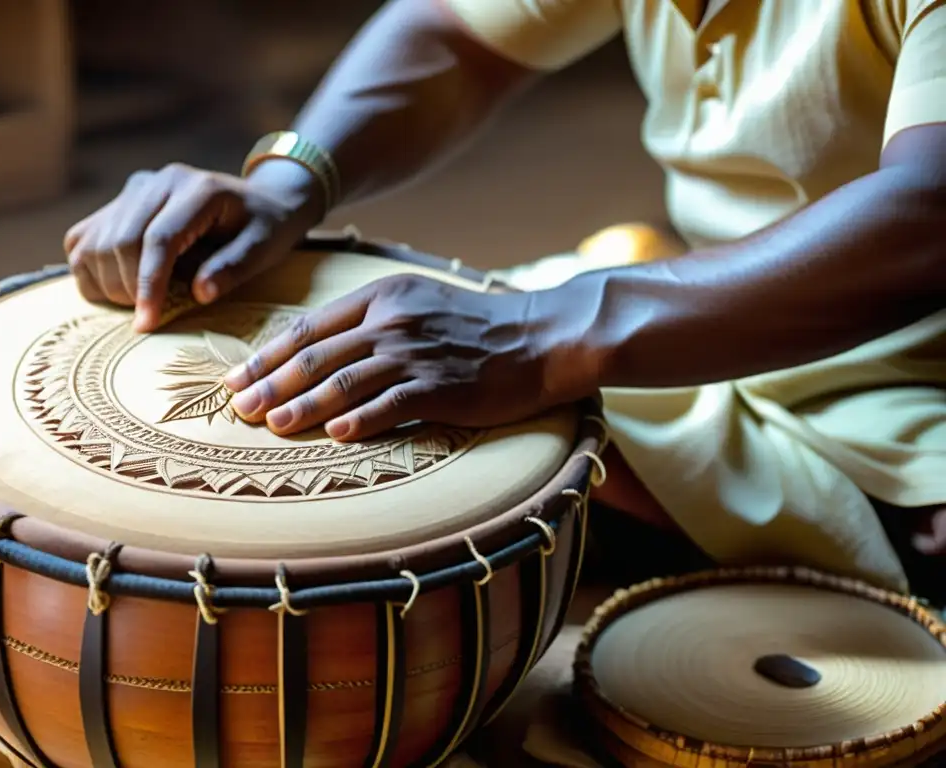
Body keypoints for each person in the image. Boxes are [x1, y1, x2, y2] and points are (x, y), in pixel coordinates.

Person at [63, 0, 946, 598]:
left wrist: (545, 333)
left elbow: (927, 214)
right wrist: (291, 180)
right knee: (395, 447)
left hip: (912, 399)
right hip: (708, 308)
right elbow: (456, 32)